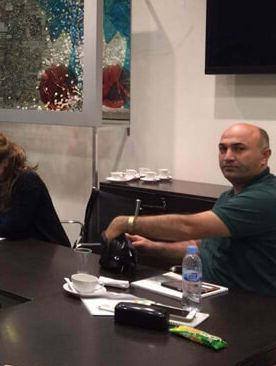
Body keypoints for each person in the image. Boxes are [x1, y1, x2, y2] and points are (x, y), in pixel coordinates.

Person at [104, 122, 276, 296]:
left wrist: (127, 222)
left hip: (252, 307)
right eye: (223, 149)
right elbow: (200, 247)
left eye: (239, 149)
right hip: (213, 297)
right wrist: (152, 247)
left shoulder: (265, 197)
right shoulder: (230, 196)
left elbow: (189, 226)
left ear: (264, 156)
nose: (228, 157)